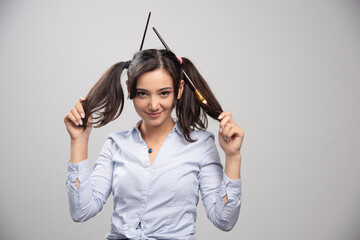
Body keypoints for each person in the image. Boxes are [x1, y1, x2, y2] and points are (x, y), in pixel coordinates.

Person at [64, 49, 244, 240]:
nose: (153, 105)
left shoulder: (201, 145)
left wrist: (233, 157)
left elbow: (224, 220)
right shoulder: (115, 144)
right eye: (142, 94)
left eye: (164, 93)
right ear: (129, 89)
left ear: (180, 89)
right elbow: (81, 211)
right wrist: (79, 141)